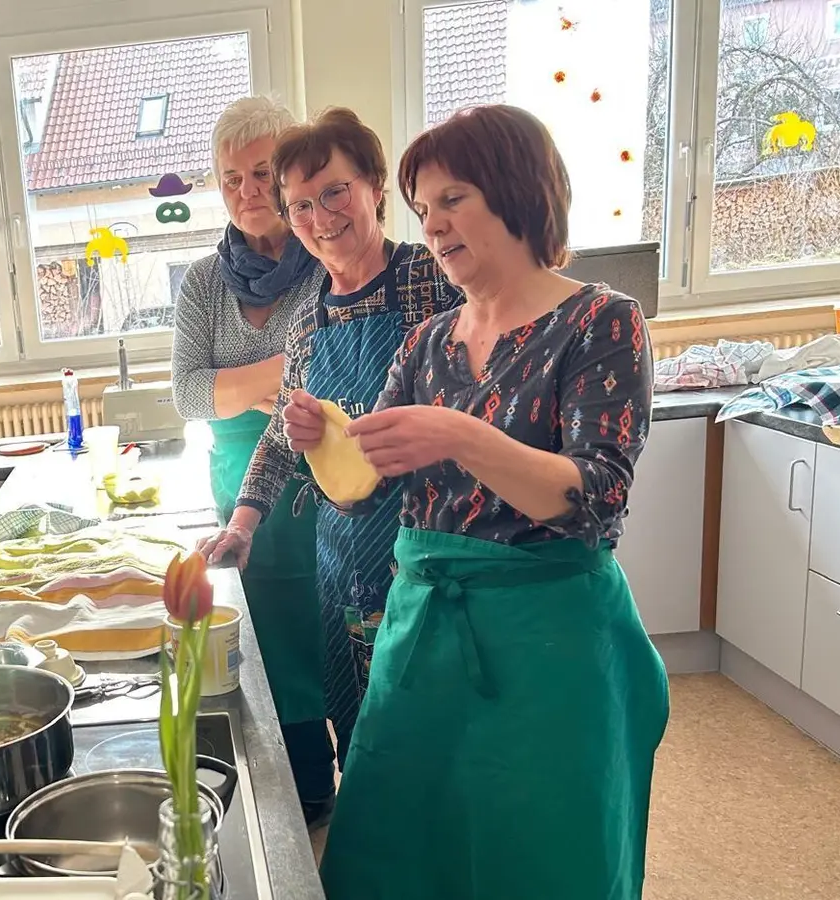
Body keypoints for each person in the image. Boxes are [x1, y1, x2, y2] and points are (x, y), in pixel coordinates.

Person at [303, 104, 669, 899]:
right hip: (421, 634)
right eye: (423, 208)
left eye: (453, 198)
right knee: (398, 846)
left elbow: (595, 499)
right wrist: (323, 444)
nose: (433, 225)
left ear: (519, 191)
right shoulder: (425, 343)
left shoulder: (601, 322)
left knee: (539, 855)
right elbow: (366, 494)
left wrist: (461, 436)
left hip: (550, 645)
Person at [199, 107, 464, 771]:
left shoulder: (428, 278)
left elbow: (480, 400)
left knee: (430, 731)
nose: (320, 217)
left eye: (335, 192)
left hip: (427, 553)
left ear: (374, 186)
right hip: (342, 558)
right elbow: (280, 437)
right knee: (359, 731)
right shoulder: (310, 319)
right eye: (300, 206)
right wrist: (242, 524)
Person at [170, 96, 335, 824]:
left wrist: (240, 385)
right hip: (240, 485)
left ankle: (335, 778)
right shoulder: (204, 282)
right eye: (231, 178)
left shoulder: (328, 262)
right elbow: (187, 393)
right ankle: (294, 790)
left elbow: (331, 382)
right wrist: (283, 375)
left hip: (328, 480)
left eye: (263, 173)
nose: (247, 192)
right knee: (263, 639)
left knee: (331, 630)